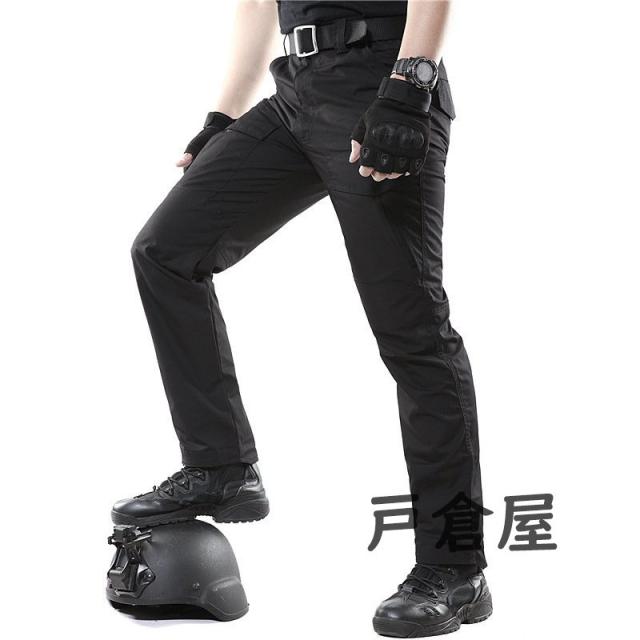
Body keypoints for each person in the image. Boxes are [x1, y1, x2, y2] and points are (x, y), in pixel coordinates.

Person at [111, 0, 491, 635]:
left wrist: (412, 80)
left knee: (413, 332)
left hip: (380, 81)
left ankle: (456, 569)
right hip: (296, 94)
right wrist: (223, 117)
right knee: (166, 251)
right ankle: (222, 468)